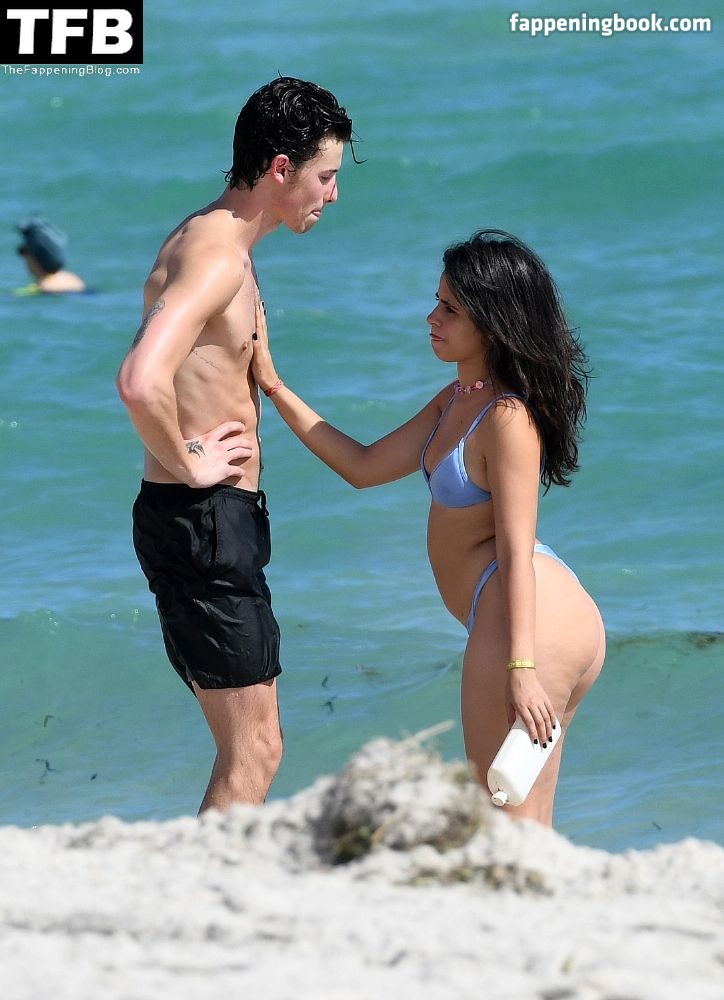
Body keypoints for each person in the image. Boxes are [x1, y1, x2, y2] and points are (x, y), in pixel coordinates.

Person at [251, 229, 606, 826]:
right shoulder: (456, 400)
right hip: (539, 617)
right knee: (526, 821)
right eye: (437, 301)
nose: (431, 318)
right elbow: (363, 467)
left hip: (526, 620)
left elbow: (516, 550)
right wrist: (273, 385)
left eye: (450, 309)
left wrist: (521, 669)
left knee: (498, 817)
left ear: (491, 324)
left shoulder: (507, 418)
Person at [116, 77, 354, 813]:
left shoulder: (208, 236)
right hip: (204, 522)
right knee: (255, 748)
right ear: (281, 168)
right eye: (325, 175)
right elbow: (140, 380)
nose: (333, 194)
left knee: (247, 743)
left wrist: (265, 379)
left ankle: (201, 874)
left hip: (199, 523)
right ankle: (206, 883)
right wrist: (191, 463)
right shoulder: (219, 257)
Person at [16, 214, 86, 294]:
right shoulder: (75, 281)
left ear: (37, 255)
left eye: (23, 251)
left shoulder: (42, 289)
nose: (23, 257)